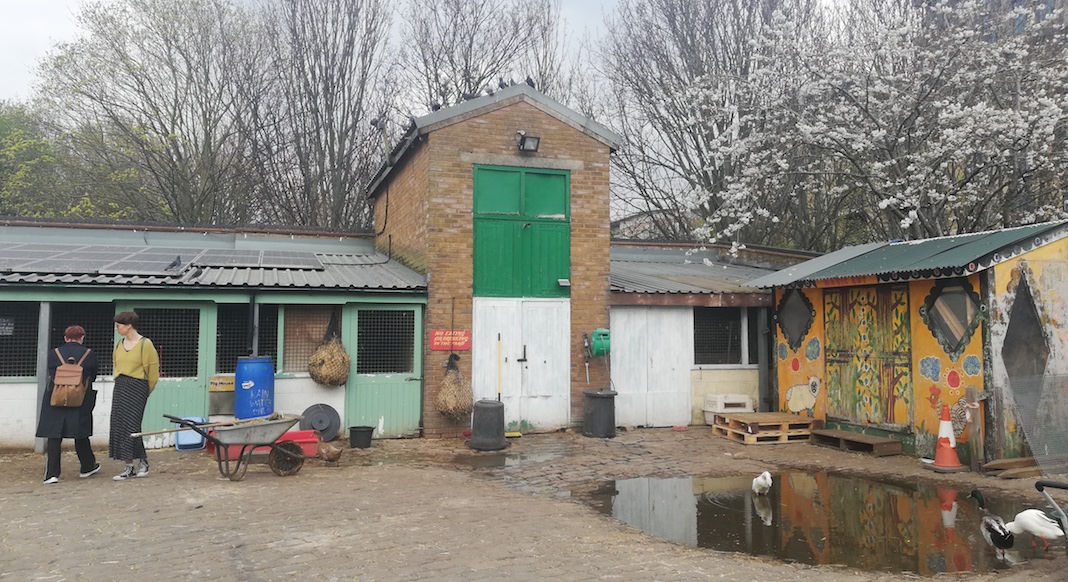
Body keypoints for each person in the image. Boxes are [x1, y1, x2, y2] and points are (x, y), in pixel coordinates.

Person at [36, 325, 100, 484]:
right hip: (79, 398)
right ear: (82, 337)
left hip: (56, 397)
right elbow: (93, 376)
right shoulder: (89, 354)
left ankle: (52, 474)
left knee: (54, 435)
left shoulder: (54, 353)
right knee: (81, 432)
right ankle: (87, 466)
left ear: (65, 338)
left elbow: (51, 372)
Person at [109, 311, 160, 481]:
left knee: (132, 425)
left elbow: (153, 372)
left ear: (128, 325)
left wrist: (145, 391)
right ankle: (128, 466)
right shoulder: (119, 344)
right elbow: (116, 365)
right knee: (119, 425)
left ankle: (143, 460)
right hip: (121, 386)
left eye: (119, 325)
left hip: (138, 387)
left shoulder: (145, 344)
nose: (117, 328)